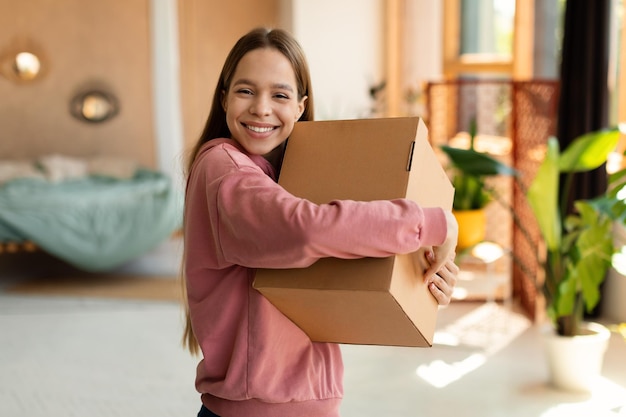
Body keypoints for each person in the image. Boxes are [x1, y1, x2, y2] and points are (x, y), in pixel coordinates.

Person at [182, 27, 459, 417]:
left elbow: (334, 276)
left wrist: (421, 279)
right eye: (246, 90)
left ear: (300, 106)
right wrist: (431, 224)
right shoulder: (224, 172)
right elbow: (306, 229)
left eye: (280, 95)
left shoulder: (289, 175)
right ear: (224, 96)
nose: (262, 108)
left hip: (310, 402)